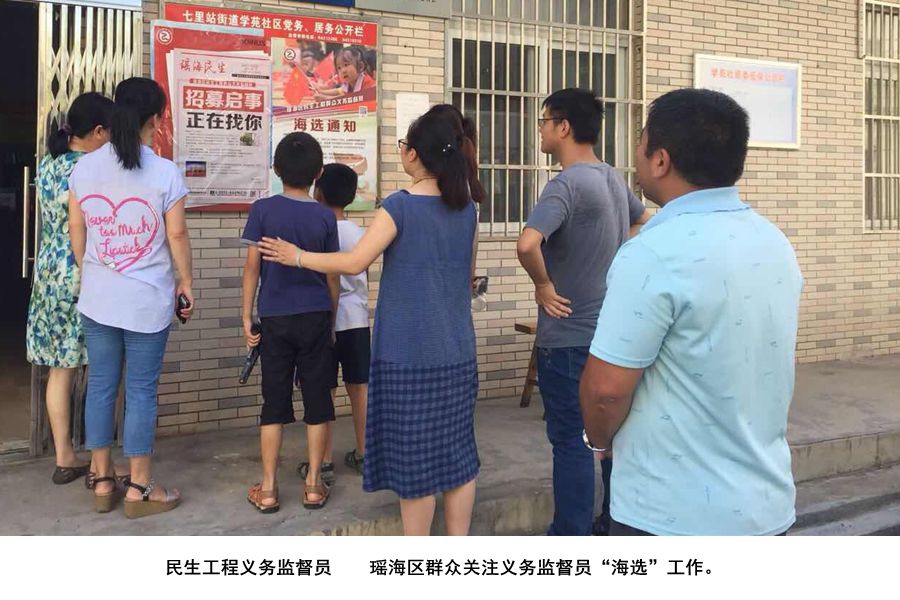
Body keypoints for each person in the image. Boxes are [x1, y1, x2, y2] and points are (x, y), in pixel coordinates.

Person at [580, 88, 803, 536]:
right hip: (766, 509)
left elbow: (605, 391)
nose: (637, 154)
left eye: (641, 142)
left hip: (668, 517)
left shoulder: (652, 253)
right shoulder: (774, 242)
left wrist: (598, 439)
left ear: (660, 160)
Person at [257, 106, 481, 535]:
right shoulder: (467, 209)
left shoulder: (400, 206)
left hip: (407, 355)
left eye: (403, 144)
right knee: (458, 459)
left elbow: (354, 261)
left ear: (414, 154)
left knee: (416, 466)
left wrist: (298, 256)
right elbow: (467, 279)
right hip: (457, 352)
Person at [516, 88, 649, 536]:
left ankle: (570, 535)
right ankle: (611, 522)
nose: (540, 130)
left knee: (570, 440)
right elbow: (641, 220)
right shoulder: (611, 177)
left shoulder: (566, 184)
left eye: (543, 121)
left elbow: (527, 244)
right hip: (610, 333)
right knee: (608, 436)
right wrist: (614, 259)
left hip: (567, 335)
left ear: (564, 127)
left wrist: (543, 286)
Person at [68, 77, 194, 517]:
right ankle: (139, 488)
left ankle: (103, 480)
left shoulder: (85, 168)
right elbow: (177, 235)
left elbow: (77, 227)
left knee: (102, 385)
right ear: (155, 120)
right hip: (146, 300)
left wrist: (92, 269)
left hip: (98, 299)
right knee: (140, 391)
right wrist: (186, 281)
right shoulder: (164, 172)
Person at [241, 132, 340, 513]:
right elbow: (331, 274)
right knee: (318, 400)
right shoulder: (324, 216)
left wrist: (246, 316)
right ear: (318, 173)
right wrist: (330, 319)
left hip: (275, 318)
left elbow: (252, 268)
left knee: (274, 401)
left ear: (276, 168)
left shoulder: (262, 210)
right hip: (315, 316)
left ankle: (268, 489)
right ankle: (313, 484)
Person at [26, 92, 113, 485]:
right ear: (98, 132)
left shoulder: (48, 164)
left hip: (48, 272)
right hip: (82, 270)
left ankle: (64, 456)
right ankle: (99, 463)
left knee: (60, 370)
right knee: (99, 368)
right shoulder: (92, 168)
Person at [313, 163, 370, 476]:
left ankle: (323, 459)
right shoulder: (360, 234)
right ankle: (364, 453)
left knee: (325, 389)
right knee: (359, 389)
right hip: (357, 319)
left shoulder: (319, 231)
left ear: (318, 193)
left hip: (325, 320)